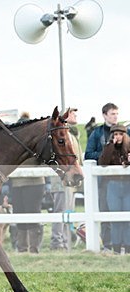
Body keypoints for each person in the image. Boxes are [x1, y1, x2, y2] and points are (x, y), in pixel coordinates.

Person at [85, 103, 124, 250]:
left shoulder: (126, 132)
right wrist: (105, 156)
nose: (115, 116)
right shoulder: (97, 133)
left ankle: (124, 244)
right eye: (112, 113)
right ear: (104, 115)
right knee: (105, 212)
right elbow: (88, 154)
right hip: (104, 181)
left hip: (124, 180)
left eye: (116, 114)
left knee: (125, 212)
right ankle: (108, 244)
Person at [49, 108, 83, 250]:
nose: (76, 116)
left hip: (72, 178)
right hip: (61, 179)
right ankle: (57, 241)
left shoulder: (71, 135)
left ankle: (65, 239)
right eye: (73, 114)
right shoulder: (62, 136)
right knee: (60, 210)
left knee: (69, 211)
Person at [98, 124, 130, 253]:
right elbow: (103, 163)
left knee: (128, 218)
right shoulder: (108, 148)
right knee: (115, 219)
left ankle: (128, 248)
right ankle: (116, 248)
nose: (118, 137)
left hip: (128, 185)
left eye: (120, 134)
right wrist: (110, 145)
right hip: (113, 185)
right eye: (115, 134)